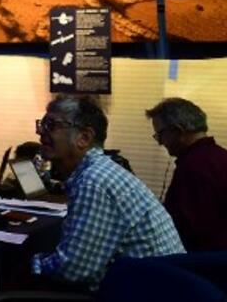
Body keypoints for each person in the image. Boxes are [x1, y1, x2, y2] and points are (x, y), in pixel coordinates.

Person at [31, 96, 184, 290]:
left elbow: (72, 271)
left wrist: (30, 262)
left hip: (148, 292)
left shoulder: (93, 181)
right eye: (42, 124)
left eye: (51, 125)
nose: (40, 133)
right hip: (158, 284)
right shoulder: (98, 171)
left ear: (84, 138)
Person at [145, 97, 227, 251]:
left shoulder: (193, 168)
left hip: (204, 265)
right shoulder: (220, 156)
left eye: (160, 134)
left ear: (178, 131)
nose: (160, 142)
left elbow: (187, 230)